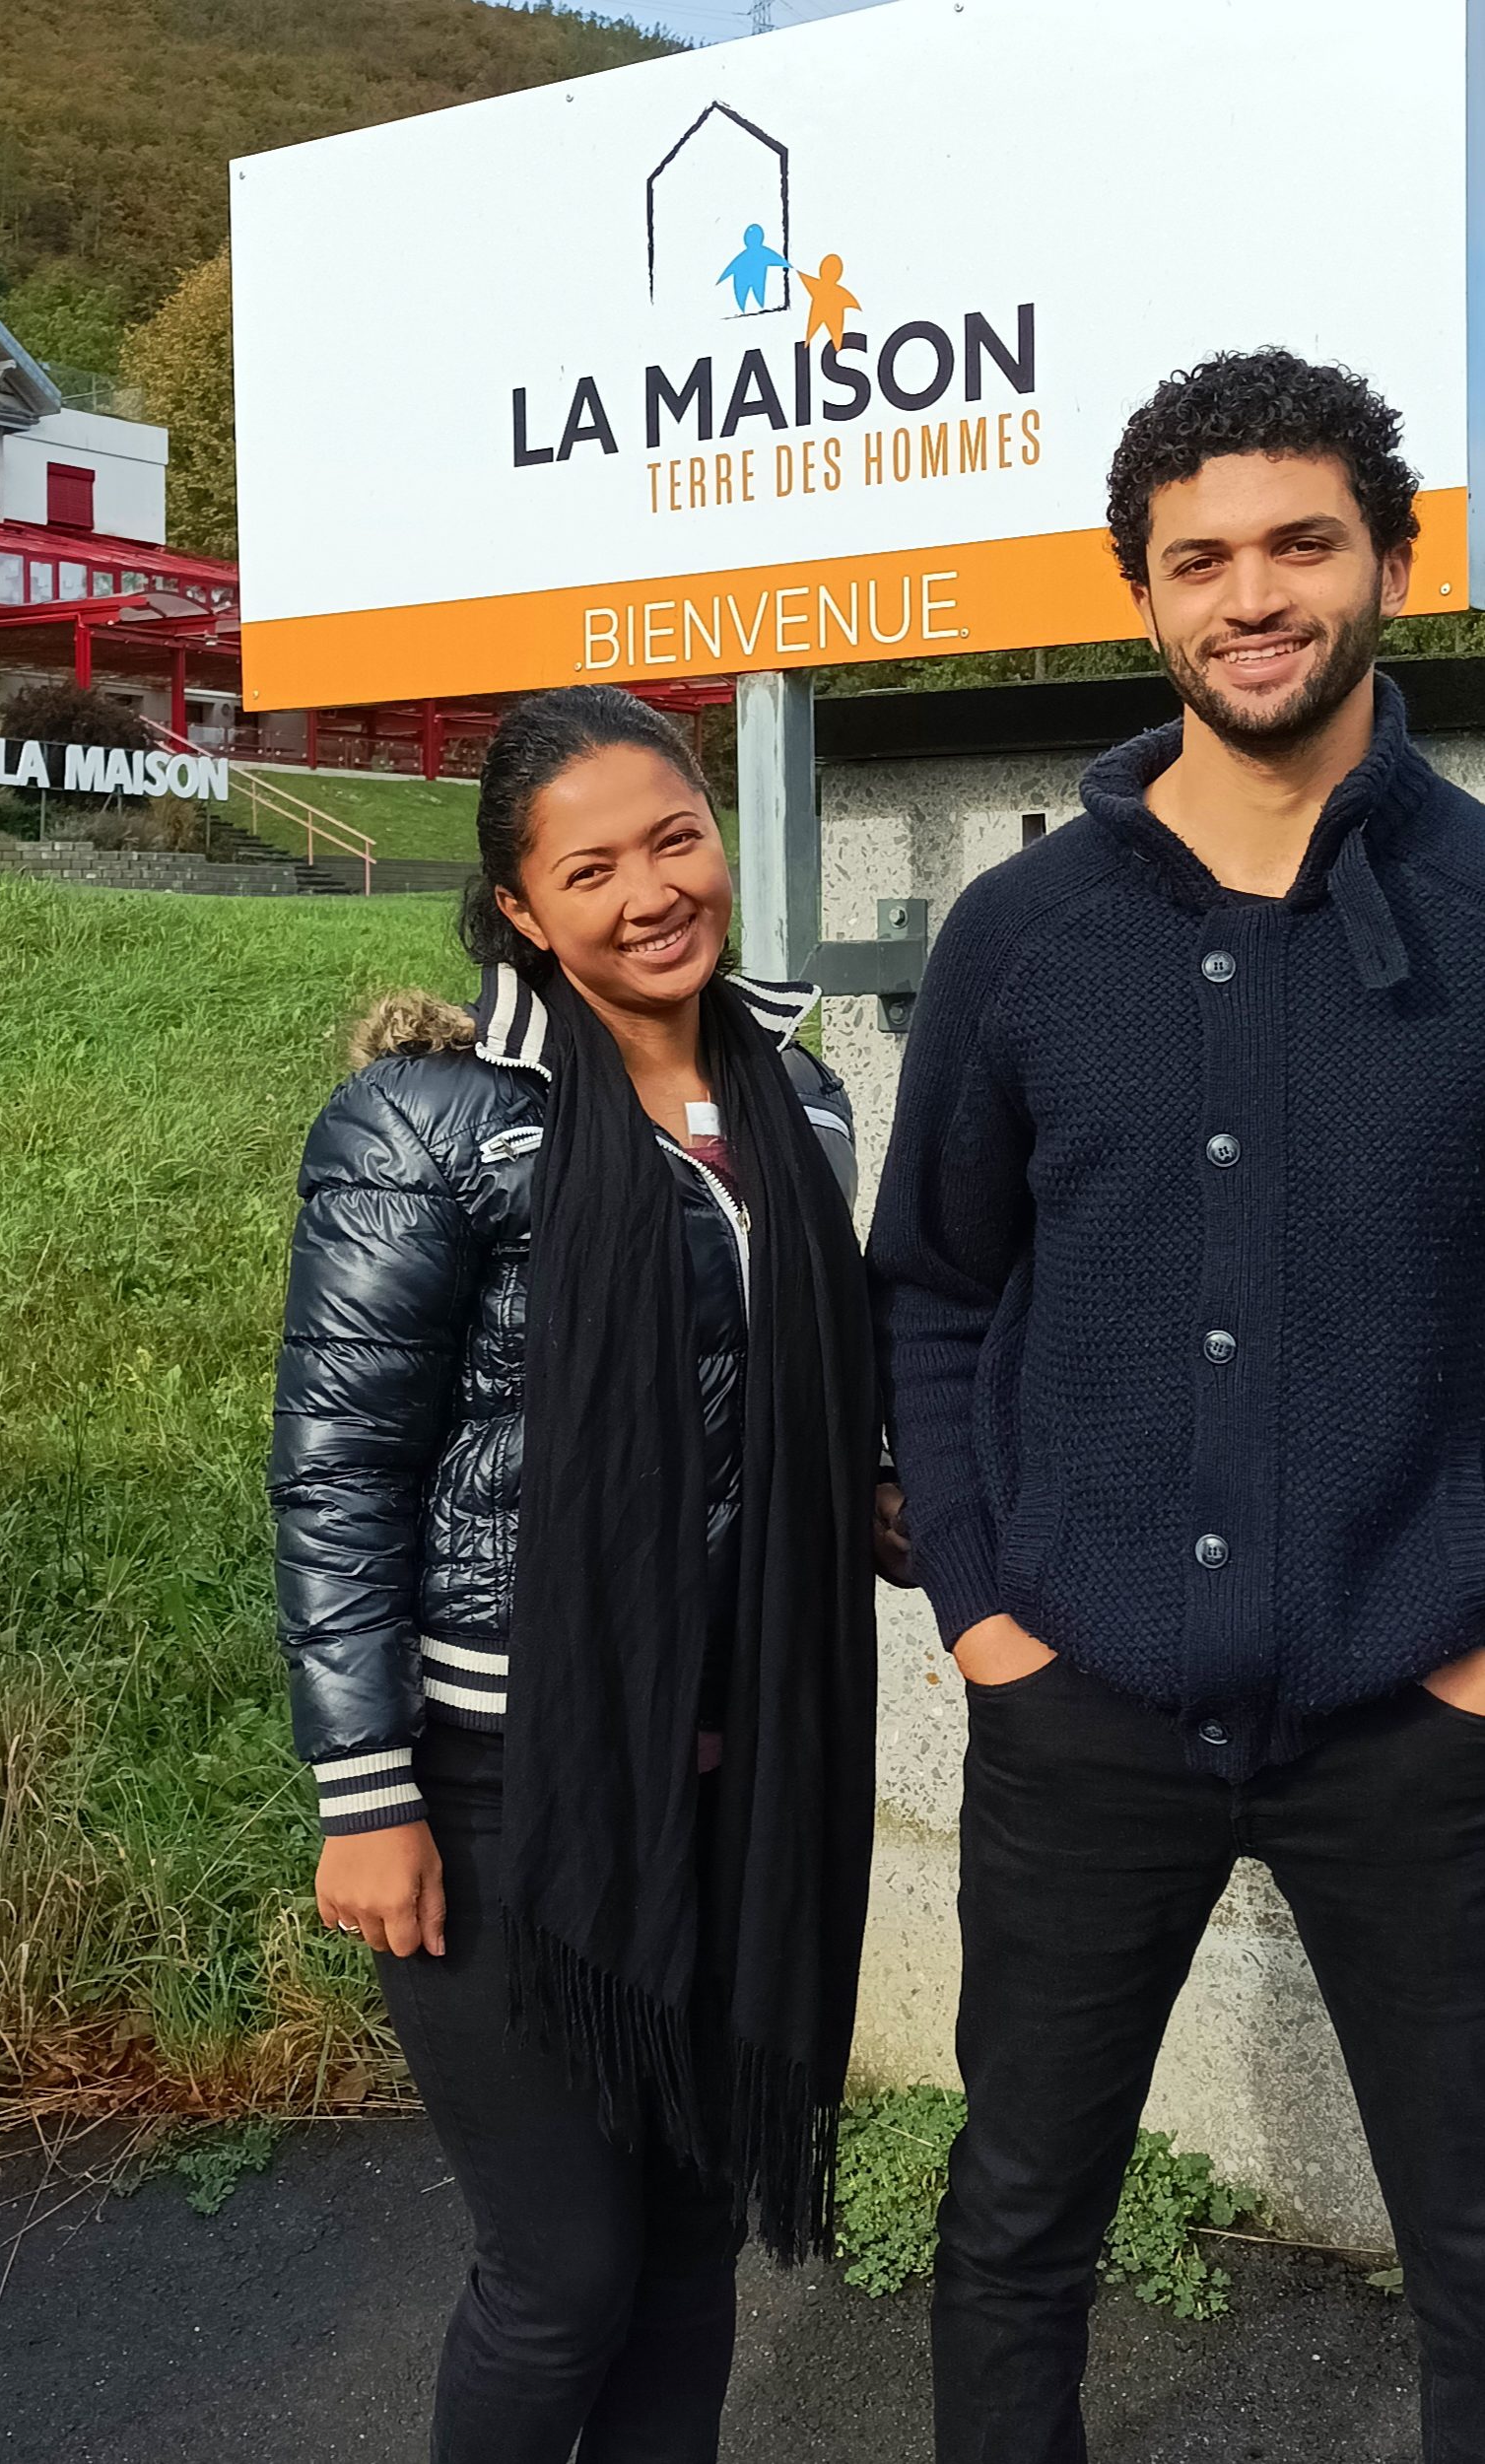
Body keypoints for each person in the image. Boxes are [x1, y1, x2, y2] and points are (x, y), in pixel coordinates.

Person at [869, 349, 1485, 2464]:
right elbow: (934, 1293)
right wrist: (985, 1622)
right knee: (1017, 2224)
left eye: (1298, 542)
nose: (1250, 592)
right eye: (1195, 556)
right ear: (1136, 595)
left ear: (1390, 561)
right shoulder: (1022, 934)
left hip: (1418, 1720)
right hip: (1083, 1707)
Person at [270, 685, 891, 2464]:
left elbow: (795, 1386)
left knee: (692, 2250)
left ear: (722, 837)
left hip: (737, 1763)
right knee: (564, 2269)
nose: (648, 892)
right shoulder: (429, 1123)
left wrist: (880, 1489)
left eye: (674, 838)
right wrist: (362, 1787)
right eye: (590, 867)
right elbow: (336, 1469)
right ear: (522, 911)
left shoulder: (801, 1099)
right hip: (497, 1778)